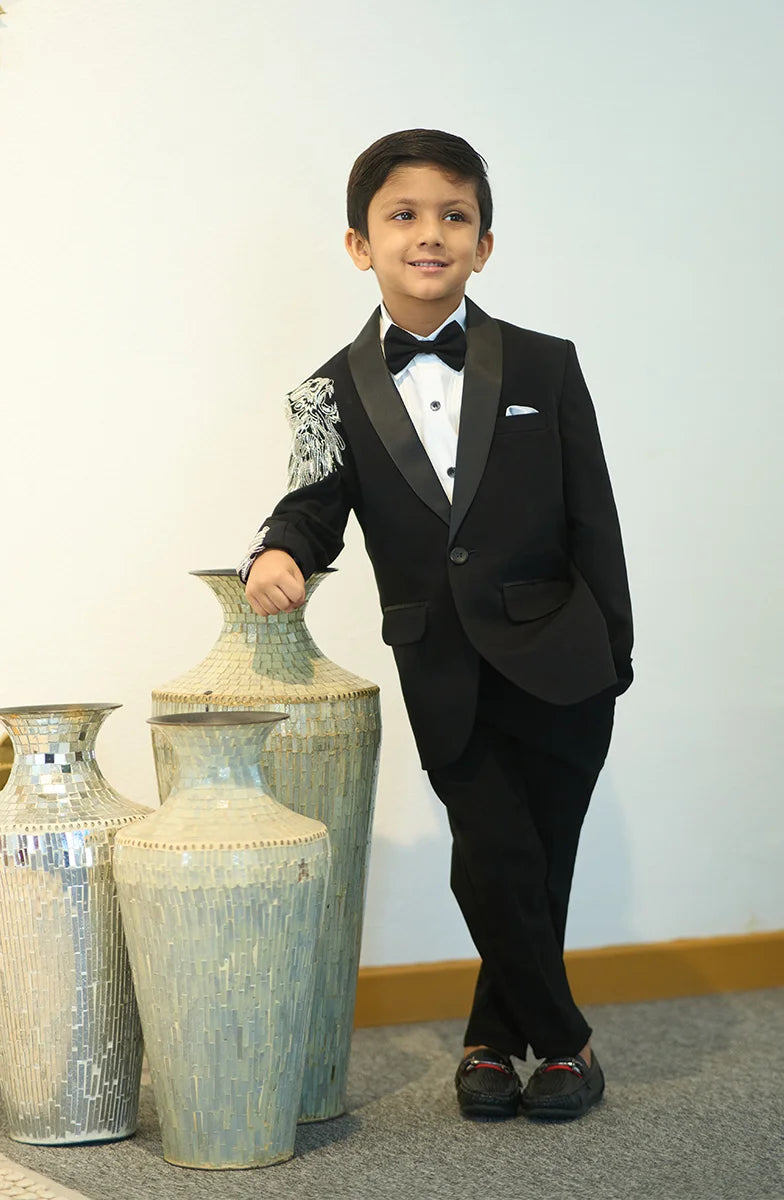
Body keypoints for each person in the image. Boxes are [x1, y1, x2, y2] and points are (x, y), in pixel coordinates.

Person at [239, 129, 633, 1122]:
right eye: (402, 216)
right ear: (357, 245)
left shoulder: (546, 366)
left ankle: (493, 1044)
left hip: (564, 659)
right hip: (444, 664)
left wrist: (614, 651)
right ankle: (565, 1041)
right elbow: (309, 504)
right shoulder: (325, 389)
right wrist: (277, 553)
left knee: (541, 861)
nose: (429, 234)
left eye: (454, 216)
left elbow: (595, 513)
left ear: (483, 245)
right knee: (491, 856)